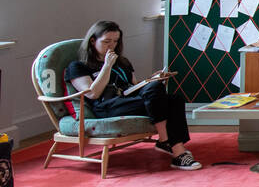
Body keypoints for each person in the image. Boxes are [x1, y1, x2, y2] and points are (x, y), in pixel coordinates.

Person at [65, 20, 201, 170]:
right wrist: (107, 66)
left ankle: (167, 142)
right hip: (106, 107)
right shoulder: (77, 66)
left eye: (115, 41)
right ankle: (174, 149)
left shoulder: (122, 62)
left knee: (173, 98)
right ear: (92, 41)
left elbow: (135, 87)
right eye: (106, 42)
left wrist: (153, 80)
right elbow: (92, 93)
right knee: (165, 101)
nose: (111, 46)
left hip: (128, 100)